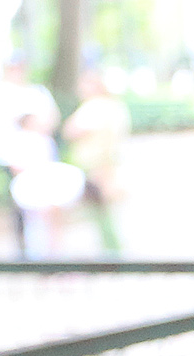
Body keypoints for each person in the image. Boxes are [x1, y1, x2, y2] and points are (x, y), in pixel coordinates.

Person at [0, 57, 60, 258]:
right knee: (22, 206)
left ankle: (48, 252)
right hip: (15, 157)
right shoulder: (0, 93)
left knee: (47, 205)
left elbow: (52, 118)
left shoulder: (38, 92)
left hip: (41, 158)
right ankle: (25, 252)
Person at [61, 69, 131, 256]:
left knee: (101, 210)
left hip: (97, 165)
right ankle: (112, 251)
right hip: (107, 162)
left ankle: (112, 253)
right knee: (104, 209)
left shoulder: (94, 107)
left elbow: (72, 131)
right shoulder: (114, 106)